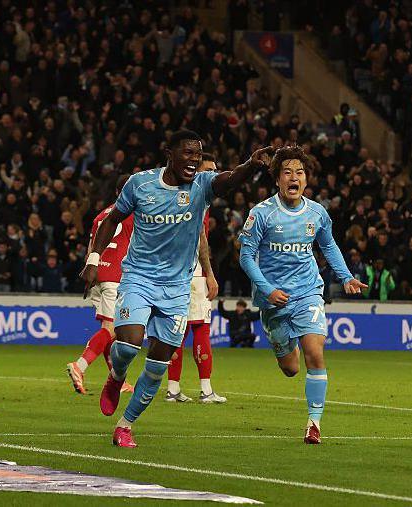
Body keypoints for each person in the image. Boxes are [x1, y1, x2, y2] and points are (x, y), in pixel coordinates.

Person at [80, 130, 274, 448]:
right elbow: (111, 220)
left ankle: (125, 426)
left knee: (158, 366)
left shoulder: (201, 185)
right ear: (169, 153)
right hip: (139, 278)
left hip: (177, 288)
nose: (193, 160)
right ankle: (116, 377)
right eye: (187, 153)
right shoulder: (140, 184)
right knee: (128, 345)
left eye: (198, 155)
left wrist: (251, 165)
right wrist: (93, 259)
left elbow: (230, 180)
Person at [239, 145, 367, 444]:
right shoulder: (261, 214)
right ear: (277, 179)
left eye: (299, 172)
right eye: (287, 172)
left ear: (306, 179)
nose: (294, 177)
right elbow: (245, 257)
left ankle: (314, 424)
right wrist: (268, 290)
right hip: (274, 298)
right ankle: (282, 345)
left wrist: (346, 276)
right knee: (291, 368)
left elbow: (329, 246)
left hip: (308, 291)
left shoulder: (317, 213)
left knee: (315, 353)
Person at [66, 175, 134, 395]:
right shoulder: (134, 215)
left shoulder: (100, 215)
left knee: (109, 330)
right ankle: (80, 365)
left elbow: (91, 249)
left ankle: (118, 381)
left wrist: (90, 273)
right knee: (111, 329)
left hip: (96, 274)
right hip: (115, 276)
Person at [167, 153, 226, 404]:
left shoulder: (177, 196)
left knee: (177, 332)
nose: (214, 174)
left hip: (173, 271)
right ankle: (206, 390)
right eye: (209, 170)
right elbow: (201, 237)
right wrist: (209, 274)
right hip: (193, 272)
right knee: (200, 328)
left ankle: (172, 389)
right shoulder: (200, 198)